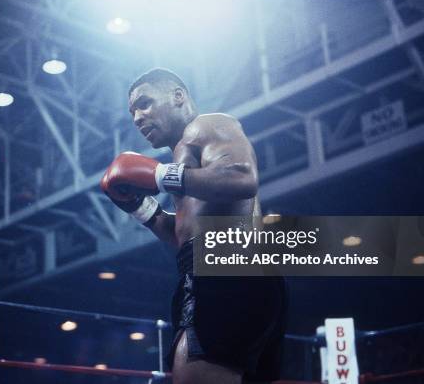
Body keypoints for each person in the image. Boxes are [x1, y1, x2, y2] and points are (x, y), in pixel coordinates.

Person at [101, 68, 286, 384]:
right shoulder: (184, 158)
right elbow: (187, 237)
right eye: (132, 112)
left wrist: (159, 175)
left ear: (177, 96)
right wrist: (141, 208)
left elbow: (243, 179)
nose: (137, 117)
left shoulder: (209, 125)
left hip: (223, 276)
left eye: (145, 103)